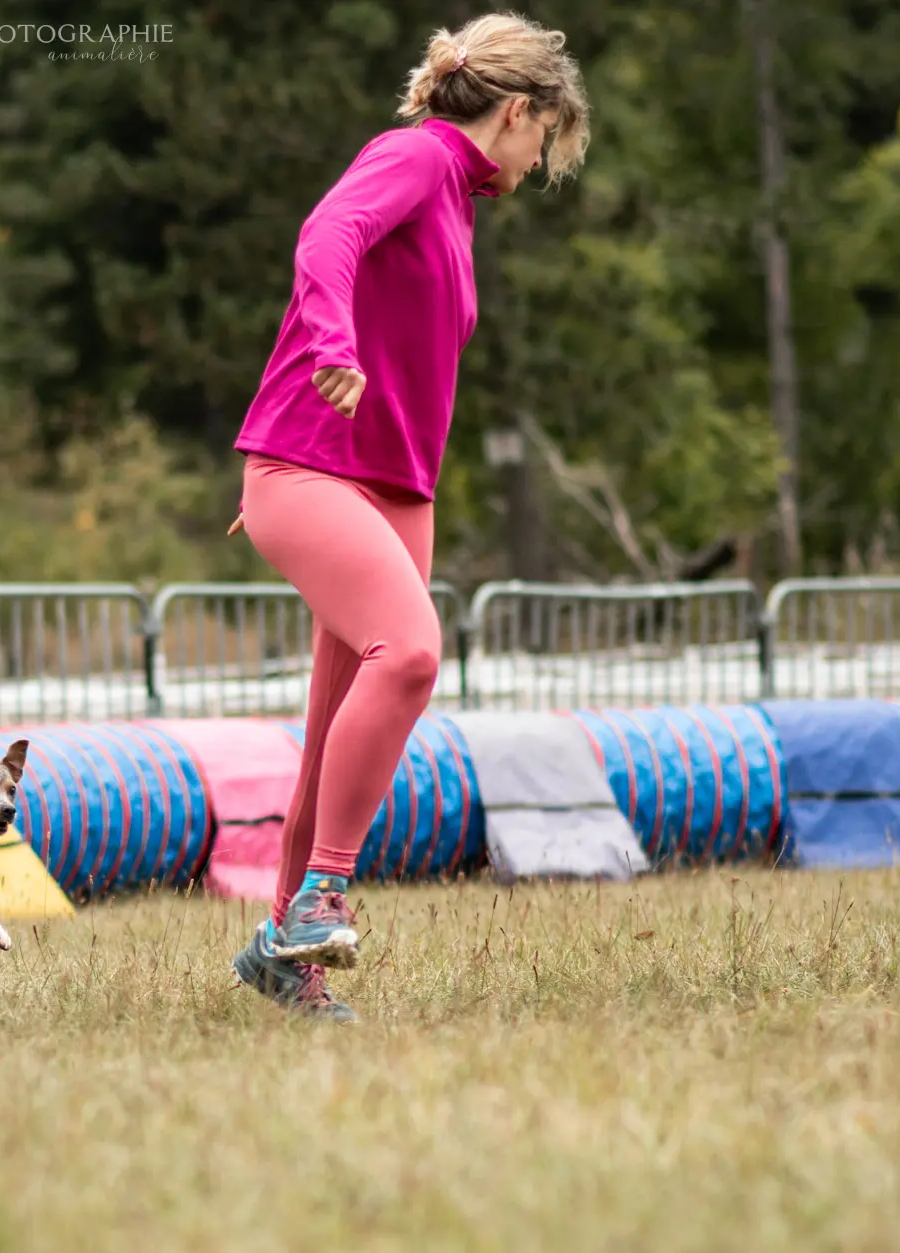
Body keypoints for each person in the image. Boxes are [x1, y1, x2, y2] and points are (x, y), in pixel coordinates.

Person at [227, 13, 590, 1022]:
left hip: (397, 491)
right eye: (544, 138)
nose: (541, 161)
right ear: (514, 110)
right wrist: (330, 344)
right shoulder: (415, 157)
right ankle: (323, 898)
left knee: (330, 732)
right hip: (308, 468)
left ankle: (282, 956)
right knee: (412, 654)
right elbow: (325, 233)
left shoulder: (456, 202)